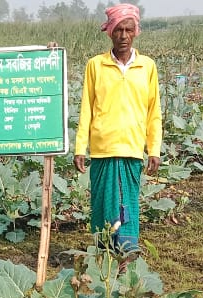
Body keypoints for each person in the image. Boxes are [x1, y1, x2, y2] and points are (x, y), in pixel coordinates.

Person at [73, 3, 162, 257]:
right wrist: (80, 148)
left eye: (128, 30)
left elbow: (154, 112)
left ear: (136, 32)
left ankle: (126, 255)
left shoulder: (147, 67)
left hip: (132, 149)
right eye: (118, 30)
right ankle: (103, 254)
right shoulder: (96, 65)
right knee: (103, 204)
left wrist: (154, 149)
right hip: (102, 150)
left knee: (127, 203)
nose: (123, 36)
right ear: (110, 32)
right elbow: (86, 110)